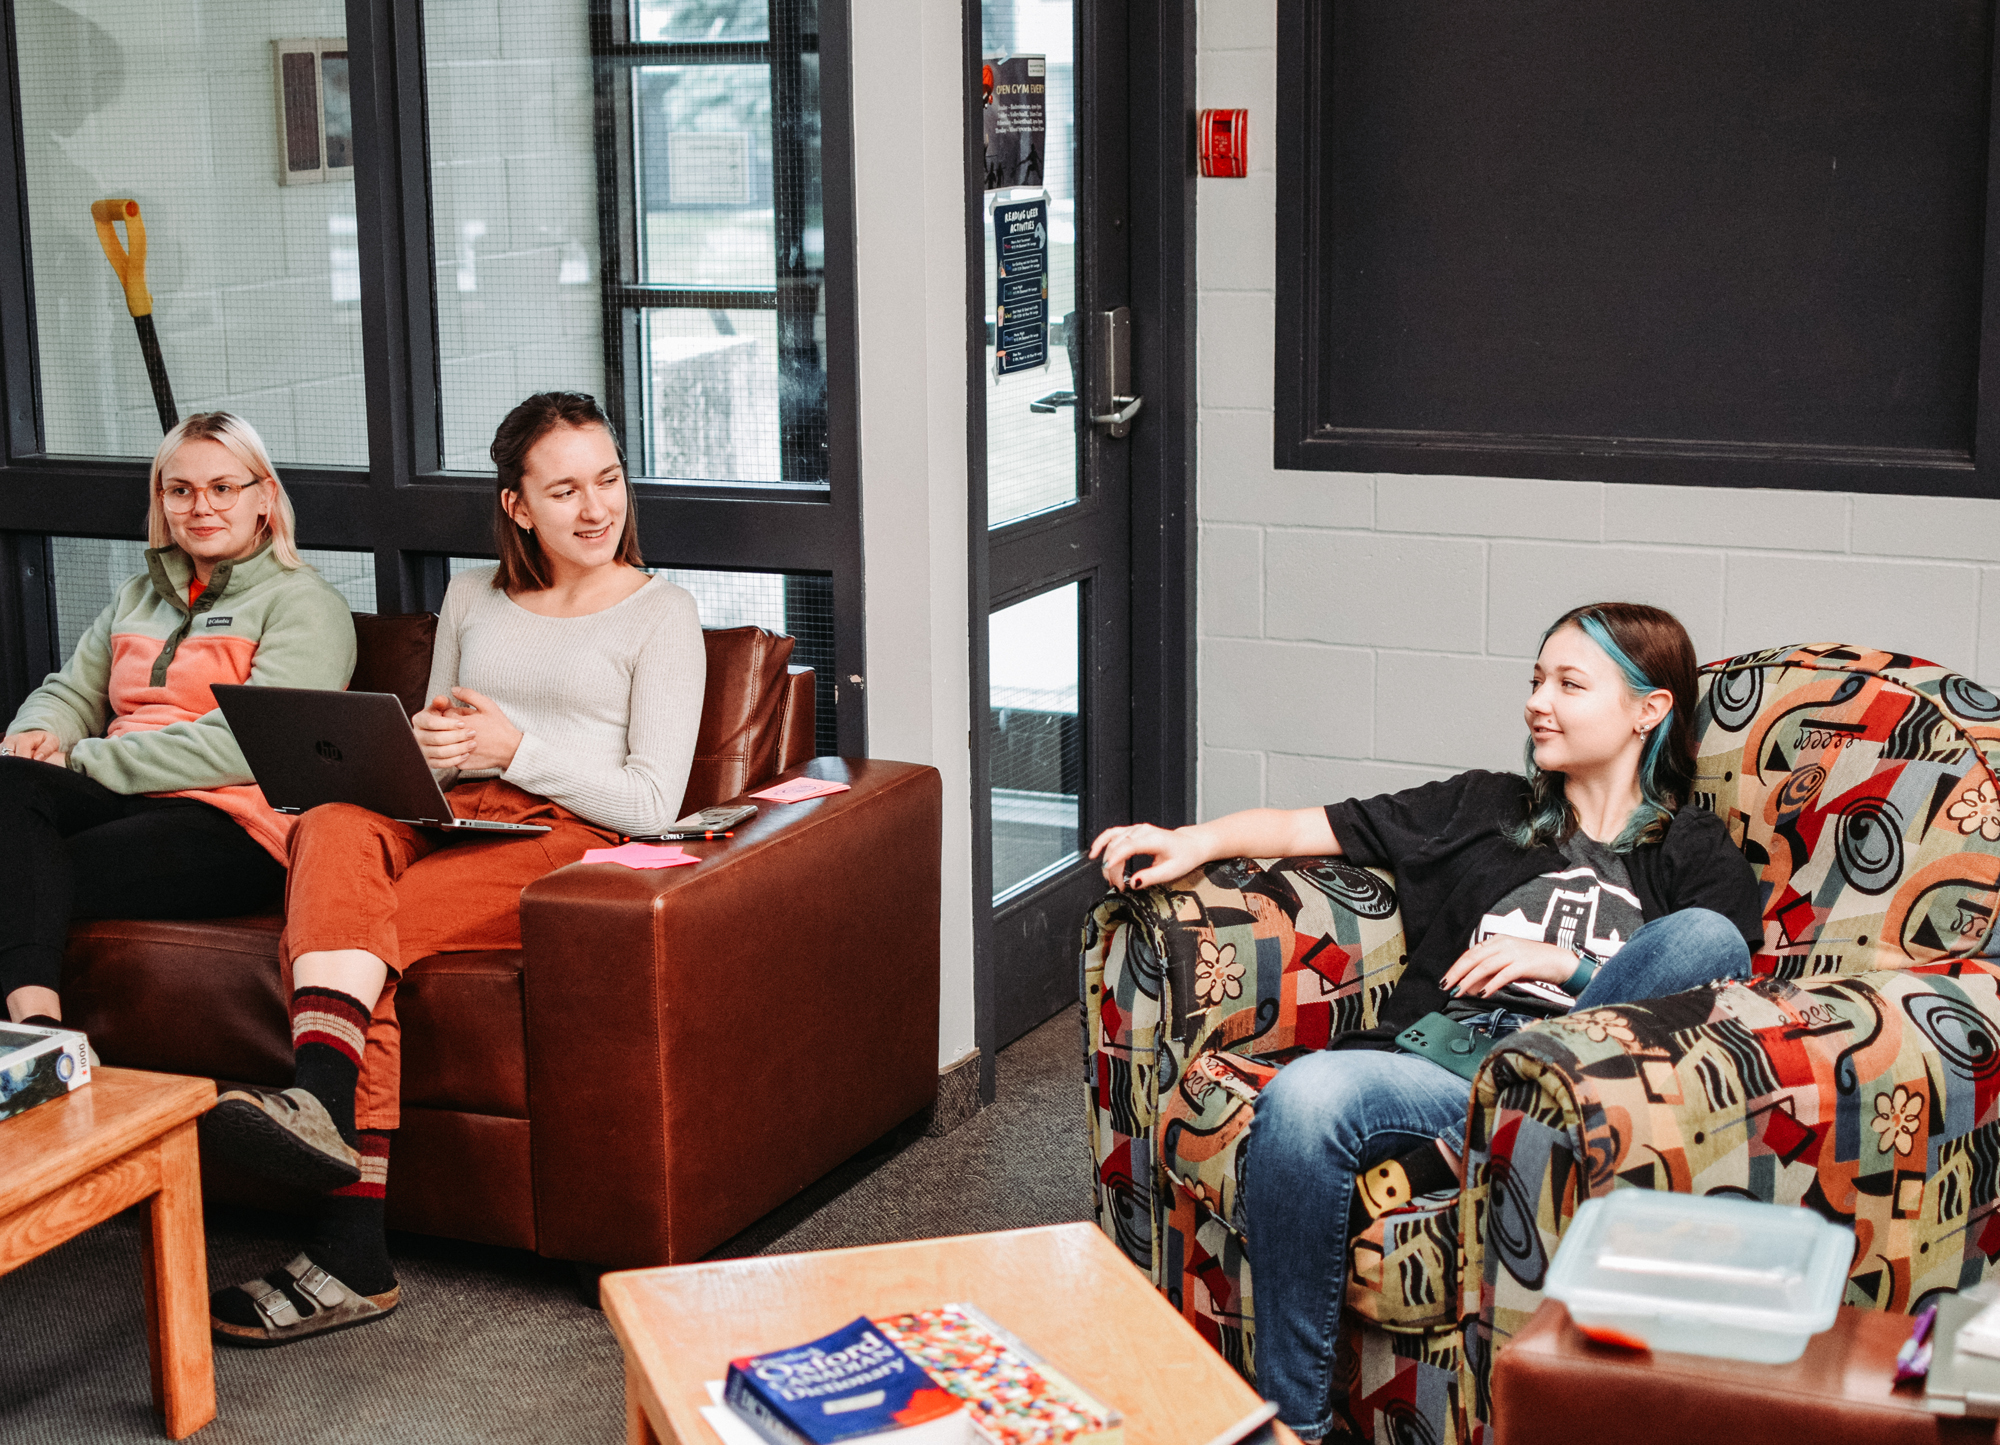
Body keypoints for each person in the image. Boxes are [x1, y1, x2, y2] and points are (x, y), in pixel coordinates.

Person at [1089, 602, 1762, 1442]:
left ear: (1648, 709)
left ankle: (1498, 1118)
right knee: (1306, 1095)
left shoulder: (1692, 852)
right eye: (1535, 680)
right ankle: (1289, 1428)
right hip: (1442, 1065)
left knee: (1705, 935)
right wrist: (1191, 839)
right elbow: (1311, 828)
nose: (1537, 702)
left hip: (1571, 1085)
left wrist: (1567, 966)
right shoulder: (1483, 807)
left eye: (1568, 683)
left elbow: (1725, 985)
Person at [203, 391, 706, 1347]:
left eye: (608, 480)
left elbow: (653, 801)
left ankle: (343, 1222)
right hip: (447, 813)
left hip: (564, 832)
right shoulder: (473, 595)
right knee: (335, 820)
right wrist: (430, 749)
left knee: (352, 949)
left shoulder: (662, 613)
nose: (596, 508)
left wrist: (514, 747)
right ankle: (324, 1112)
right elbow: (432, 731)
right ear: (518, 506)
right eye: (564, 490)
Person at [0, 412, 356, 1029]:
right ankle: (42, 1036)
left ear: (264, 497)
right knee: (8, 782)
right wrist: (37, 733)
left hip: (229, 823)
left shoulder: (304, 604)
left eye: (223, 488)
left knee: (23, 875)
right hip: (121, 796)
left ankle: (36, 1039)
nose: (201, 507)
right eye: (180, 490)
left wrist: (80, 759)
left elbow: (251, 744)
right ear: (161, 500)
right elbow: (71, 693)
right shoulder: (136, 596)